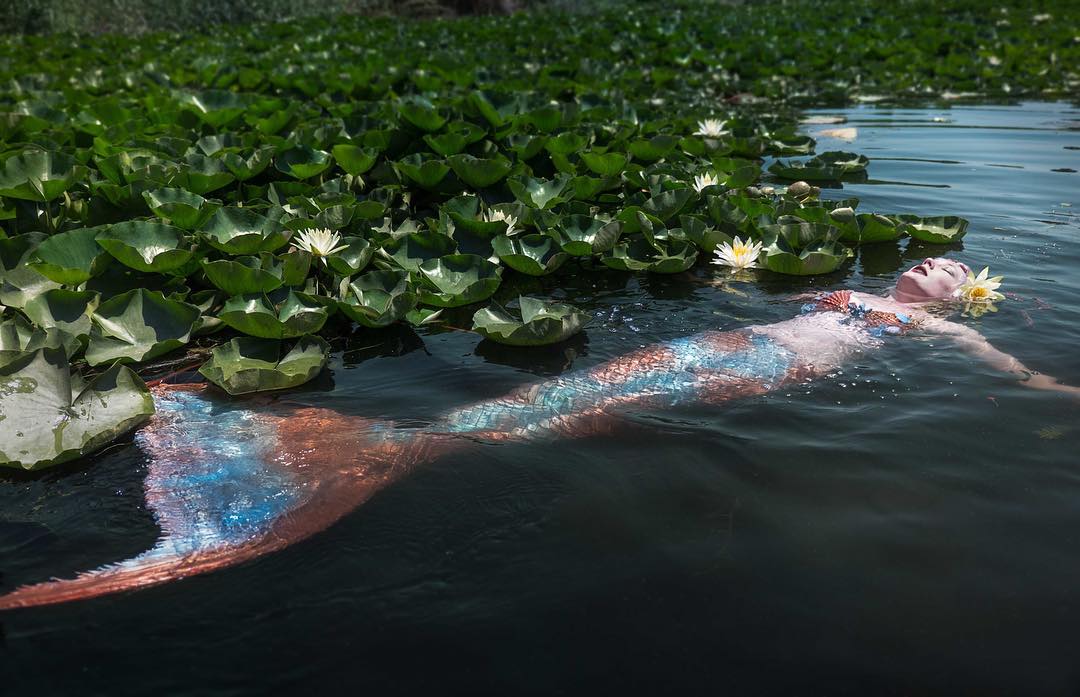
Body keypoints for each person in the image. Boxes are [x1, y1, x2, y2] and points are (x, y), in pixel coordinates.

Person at [1, 257, 1076, 611]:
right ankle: (357, 446)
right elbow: (750, 297)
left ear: (956, 296)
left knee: (561, 414)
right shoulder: (845, 291)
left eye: (946, 275)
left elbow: (1009, 369)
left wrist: (1048, 387)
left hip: (759, 379)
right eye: (927, 265)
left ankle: (355, 452)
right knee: (549, 401)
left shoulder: (928, 332)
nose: (928, 272)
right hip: (718, 349)